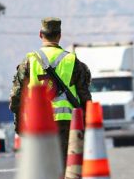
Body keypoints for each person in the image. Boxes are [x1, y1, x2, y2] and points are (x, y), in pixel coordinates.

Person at [9, 17, 92, 167]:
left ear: (41, 35)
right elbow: (85, 96)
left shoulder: (29, 61)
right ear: (59, 36)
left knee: (42, 170)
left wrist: (20, 124)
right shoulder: (72, 61)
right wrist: (87, 124)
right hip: (66, 123)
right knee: (66, 167)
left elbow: (16, 97)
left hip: (37, 123)